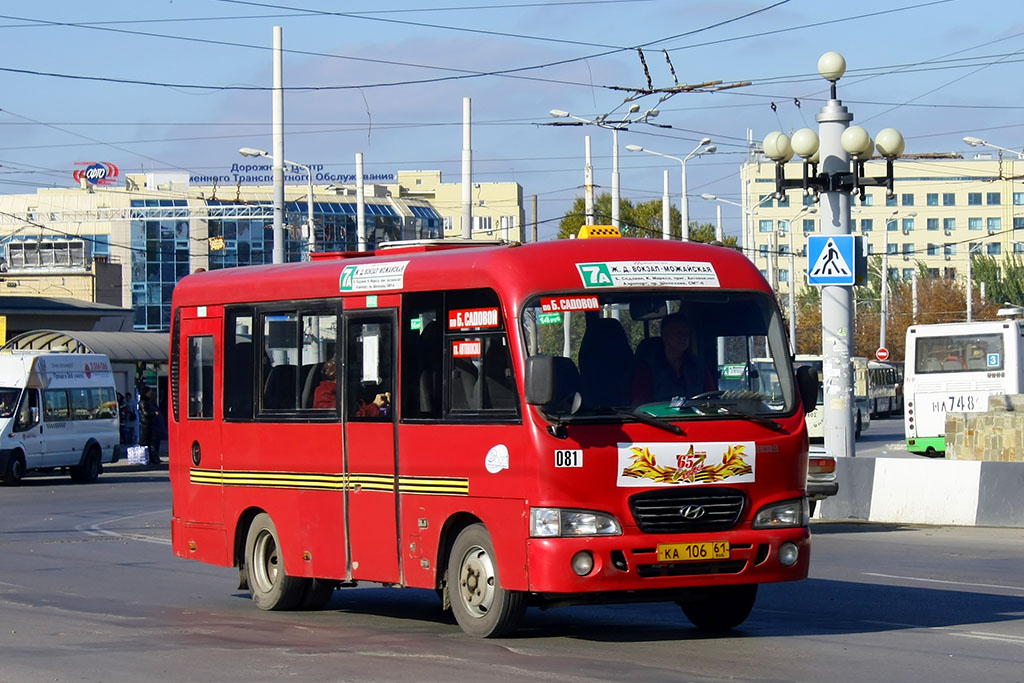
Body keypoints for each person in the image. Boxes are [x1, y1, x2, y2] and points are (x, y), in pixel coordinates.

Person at [632, 312, 714, 405]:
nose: (684, 337)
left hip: (698, 418)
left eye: (686, 332)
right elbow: (640, 406)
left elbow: (712, 400)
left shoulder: (699, 367)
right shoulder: (647, 369)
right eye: (678, 333)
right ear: (665, 336)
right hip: (657, 419)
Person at [137, 387, 162, 466]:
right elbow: (146, 413)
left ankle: (151, 458)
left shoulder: (147, 402)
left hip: (148, 423)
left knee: (150, 442)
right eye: (149, 392)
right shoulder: (143, 402)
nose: (150, 394)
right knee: (146, 441)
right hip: (145, 424)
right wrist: (153, 413)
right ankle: (148, 458)